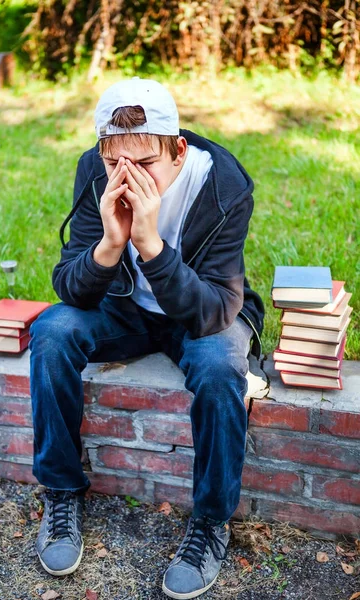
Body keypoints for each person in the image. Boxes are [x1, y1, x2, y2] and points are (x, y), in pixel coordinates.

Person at [29, 76, 265, 599]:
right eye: (116, 163)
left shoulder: (222, 185)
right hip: (127, 309)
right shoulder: (96, 173)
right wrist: (111, 245)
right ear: (101, 154)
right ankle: (62, 491)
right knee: (50, 332)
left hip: (198, 313)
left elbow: (215, 311)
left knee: (222, 365)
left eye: (145, 163)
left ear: (177, 150)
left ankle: (210, 521)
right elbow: (72, 286)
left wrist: (152, 246)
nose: (129, 177)